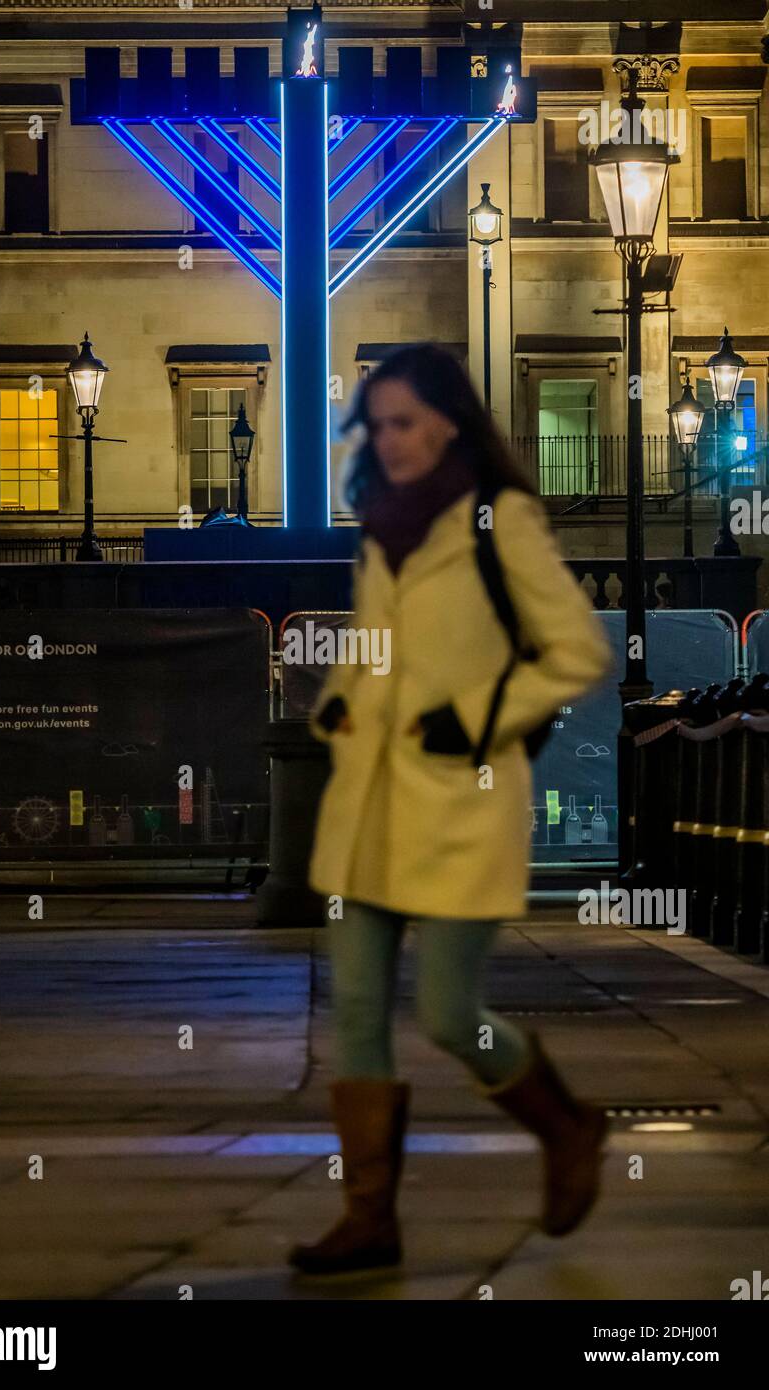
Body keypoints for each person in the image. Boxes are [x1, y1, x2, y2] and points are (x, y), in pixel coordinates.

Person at [288, 344, 615, 1277]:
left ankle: (566, 1125)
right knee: (354, 1007)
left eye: (402, 421)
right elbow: (375, 645)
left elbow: (575, 652)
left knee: (445, 1014)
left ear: (447, 421)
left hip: (457, 802)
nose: (386, 440)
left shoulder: (497, 520)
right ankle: (369, 1223)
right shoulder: (382, 526)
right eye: (376, 424)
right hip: (368, 804)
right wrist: (344, 702)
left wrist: (473, 721)